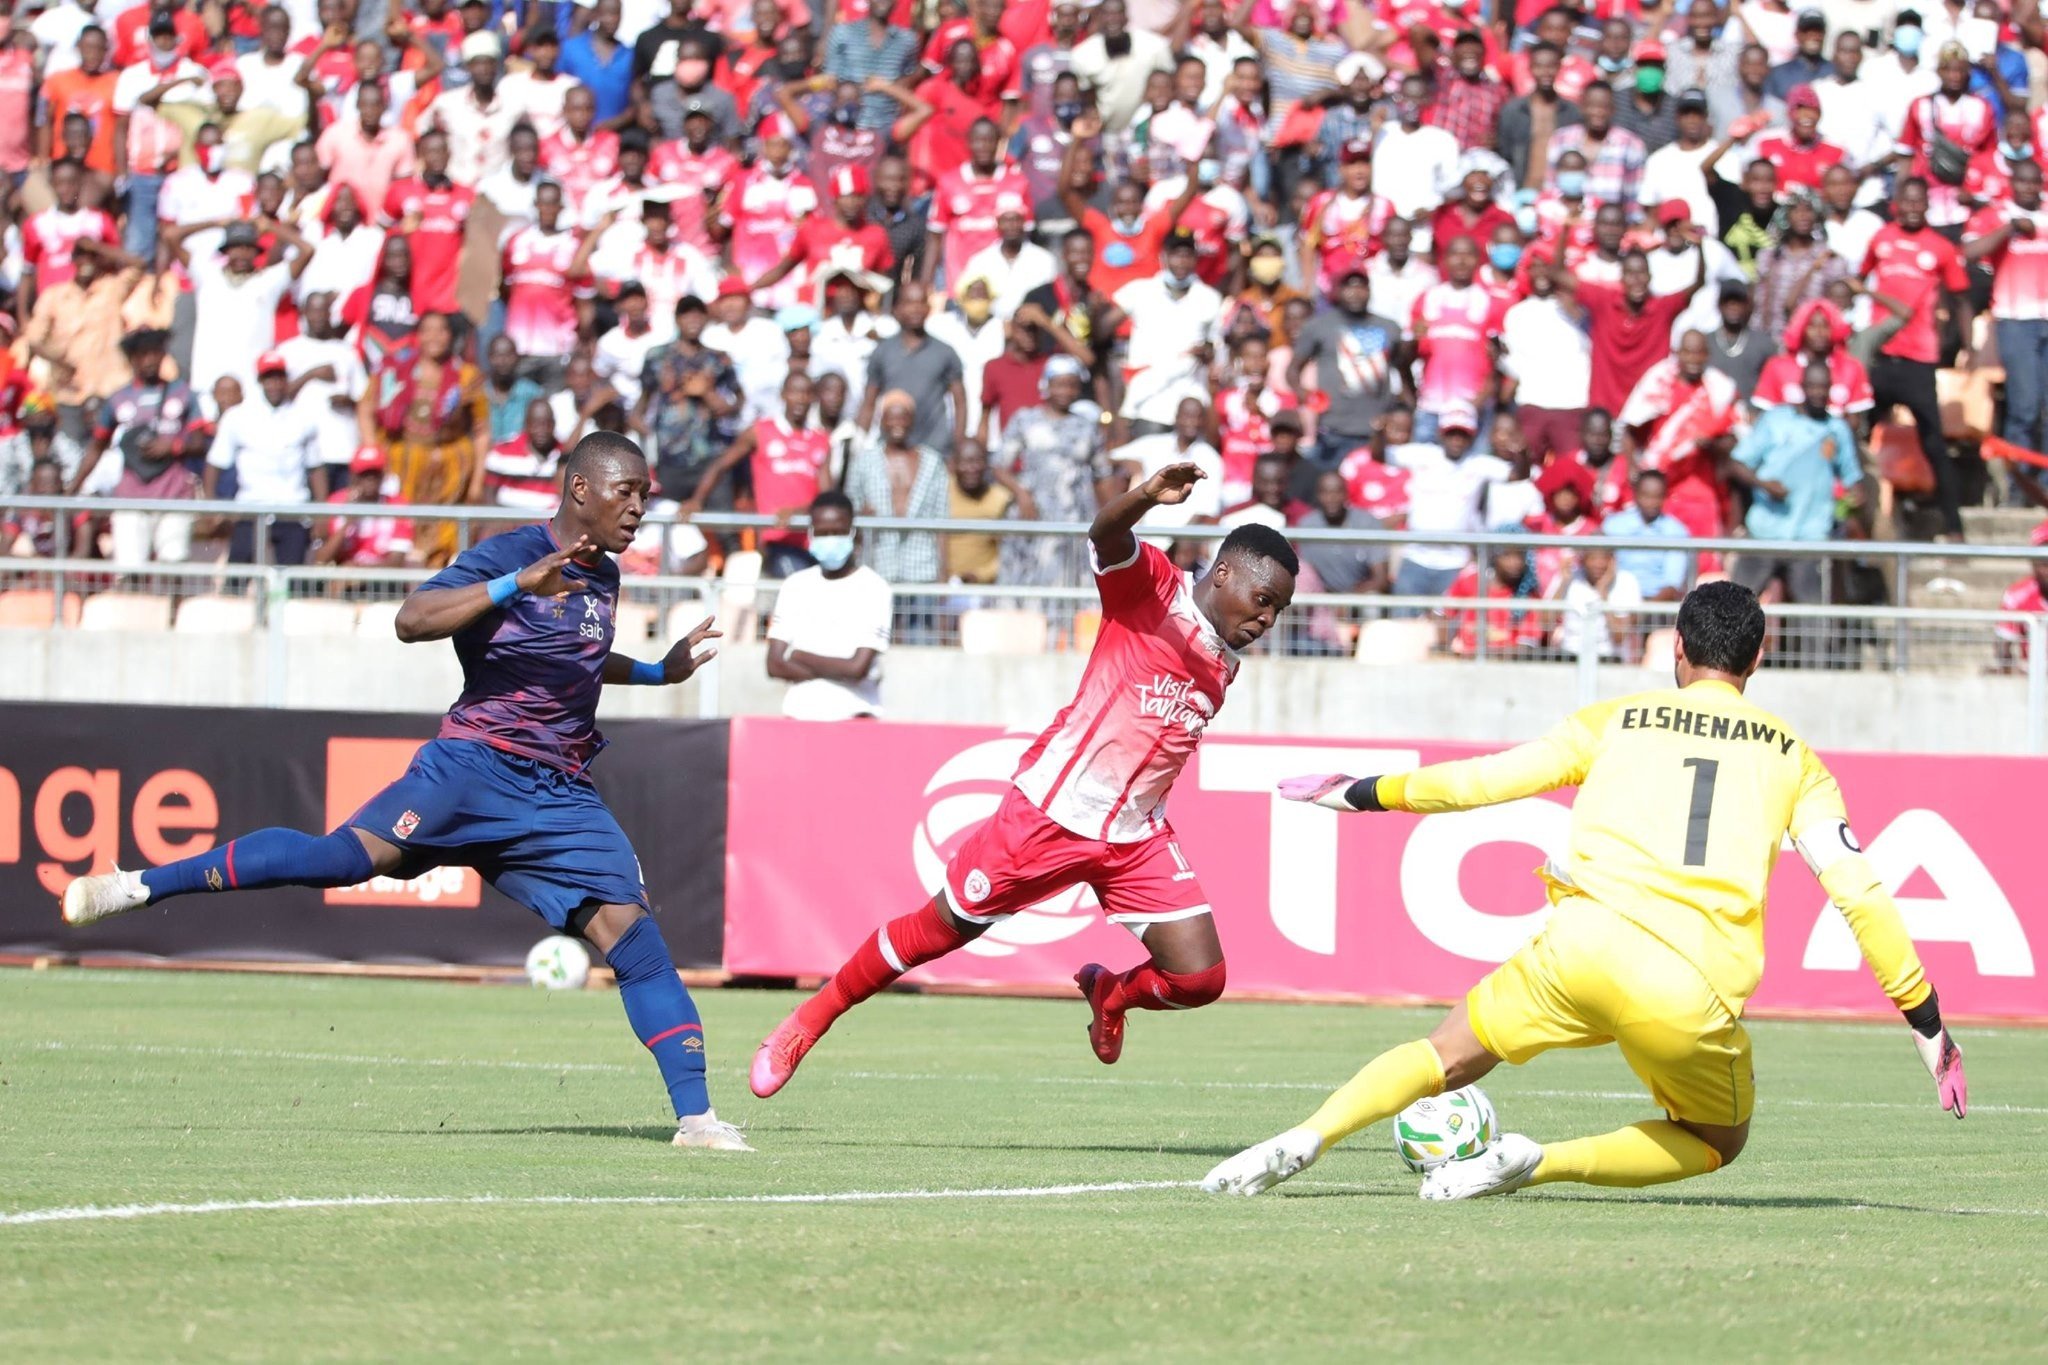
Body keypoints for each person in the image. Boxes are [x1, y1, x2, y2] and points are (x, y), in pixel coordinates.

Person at [63, 432, 749, 1153]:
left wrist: (654, 674)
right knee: (338, 860)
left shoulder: (602, 576)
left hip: (560, 791)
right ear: (581, 489)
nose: (640, 505)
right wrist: (518, 584)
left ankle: (697, 1122)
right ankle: (139, 885)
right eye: (628, 490)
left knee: (634, 937)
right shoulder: (510, 554)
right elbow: (411, 621)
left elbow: (575, 654)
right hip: (474, 768)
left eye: (645, 492)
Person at [1201, 579, 1968, 1199]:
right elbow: (1859, 893)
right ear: (1758, 657)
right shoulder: (1796, 758)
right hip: (1689, 983)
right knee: (1715, 1139)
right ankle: (1539, 1159)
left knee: (1446, 1053)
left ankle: (1306, 1134)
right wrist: (1926, 1021)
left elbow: (1482, 780)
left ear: (1676, 647)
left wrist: (1364, 791)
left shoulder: (1616, 718)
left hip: (1578, 947)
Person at [752, 462, 1299, 1097]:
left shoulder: (1225, 658)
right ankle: (804, 1024)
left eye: (1279, 610)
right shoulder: (1153, 591)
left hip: (1134, 836)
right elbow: (1104, 536)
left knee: (1200, 980)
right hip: (1051, 814)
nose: (1267, 620)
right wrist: (1147, 495)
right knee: (938, 931)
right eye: (1263, 600)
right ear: (1223, 573)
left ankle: (1111, 995)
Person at [357, 311, 490, 566]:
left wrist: (476, 482)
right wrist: (373, 450)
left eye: (441, 330)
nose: (434, 337)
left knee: (445, 536)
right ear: (417, 335)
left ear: (451, 336)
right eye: (427, 330)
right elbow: (365, 409)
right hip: (401, 467)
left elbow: (482, 431)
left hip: (449, 472)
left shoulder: (467, 376)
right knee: (403, 530)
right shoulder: (394, 369)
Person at [1726, 359, 1865, 604]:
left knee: (1812, 618)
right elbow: (1737, 463)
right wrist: (1764, 484)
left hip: (1810, 538)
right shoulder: (1776, 420)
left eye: (1824, 387)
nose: (1818, 393)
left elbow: (1853, 478)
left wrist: (1856, 496)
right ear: (1801, 386)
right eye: (1812, 386)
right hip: (1765, 533)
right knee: (1735, 607)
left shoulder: (1837, 429)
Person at [764, 490, 892, 720]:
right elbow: (774, 664)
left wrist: (800, 656)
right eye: (823, 533)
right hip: (799, 714)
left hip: (855, 716)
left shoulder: (874, 588)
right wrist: (834, 670)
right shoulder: (795, 585)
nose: (830, 539)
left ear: (854, 533)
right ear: (811, 533)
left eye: (838, 532)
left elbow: (857, 669)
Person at [205, 350, 327, 564]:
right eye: (269, 378)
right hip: (251, 508)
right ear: (260, 381)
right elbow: (215, 463)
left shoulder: (304, 417)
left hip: (293, 509)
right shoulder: (238, 416)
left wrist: (321, 513)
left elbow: (315, 468)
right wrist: (210, 506)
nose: (275, 384)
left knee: (291, 578)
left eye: (279, 378)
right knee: (238, 576)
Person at [1604, 468, 1693, 600]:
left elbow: (1672, 585)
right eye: (1646, 495)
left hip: (1657, 607)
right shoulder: (1613, 526)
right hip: (1616, 599)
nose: (1652, 501)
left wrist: (1643, 613)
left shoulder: (1676, 531)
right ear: (1635, 494)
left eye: (1657, 496)